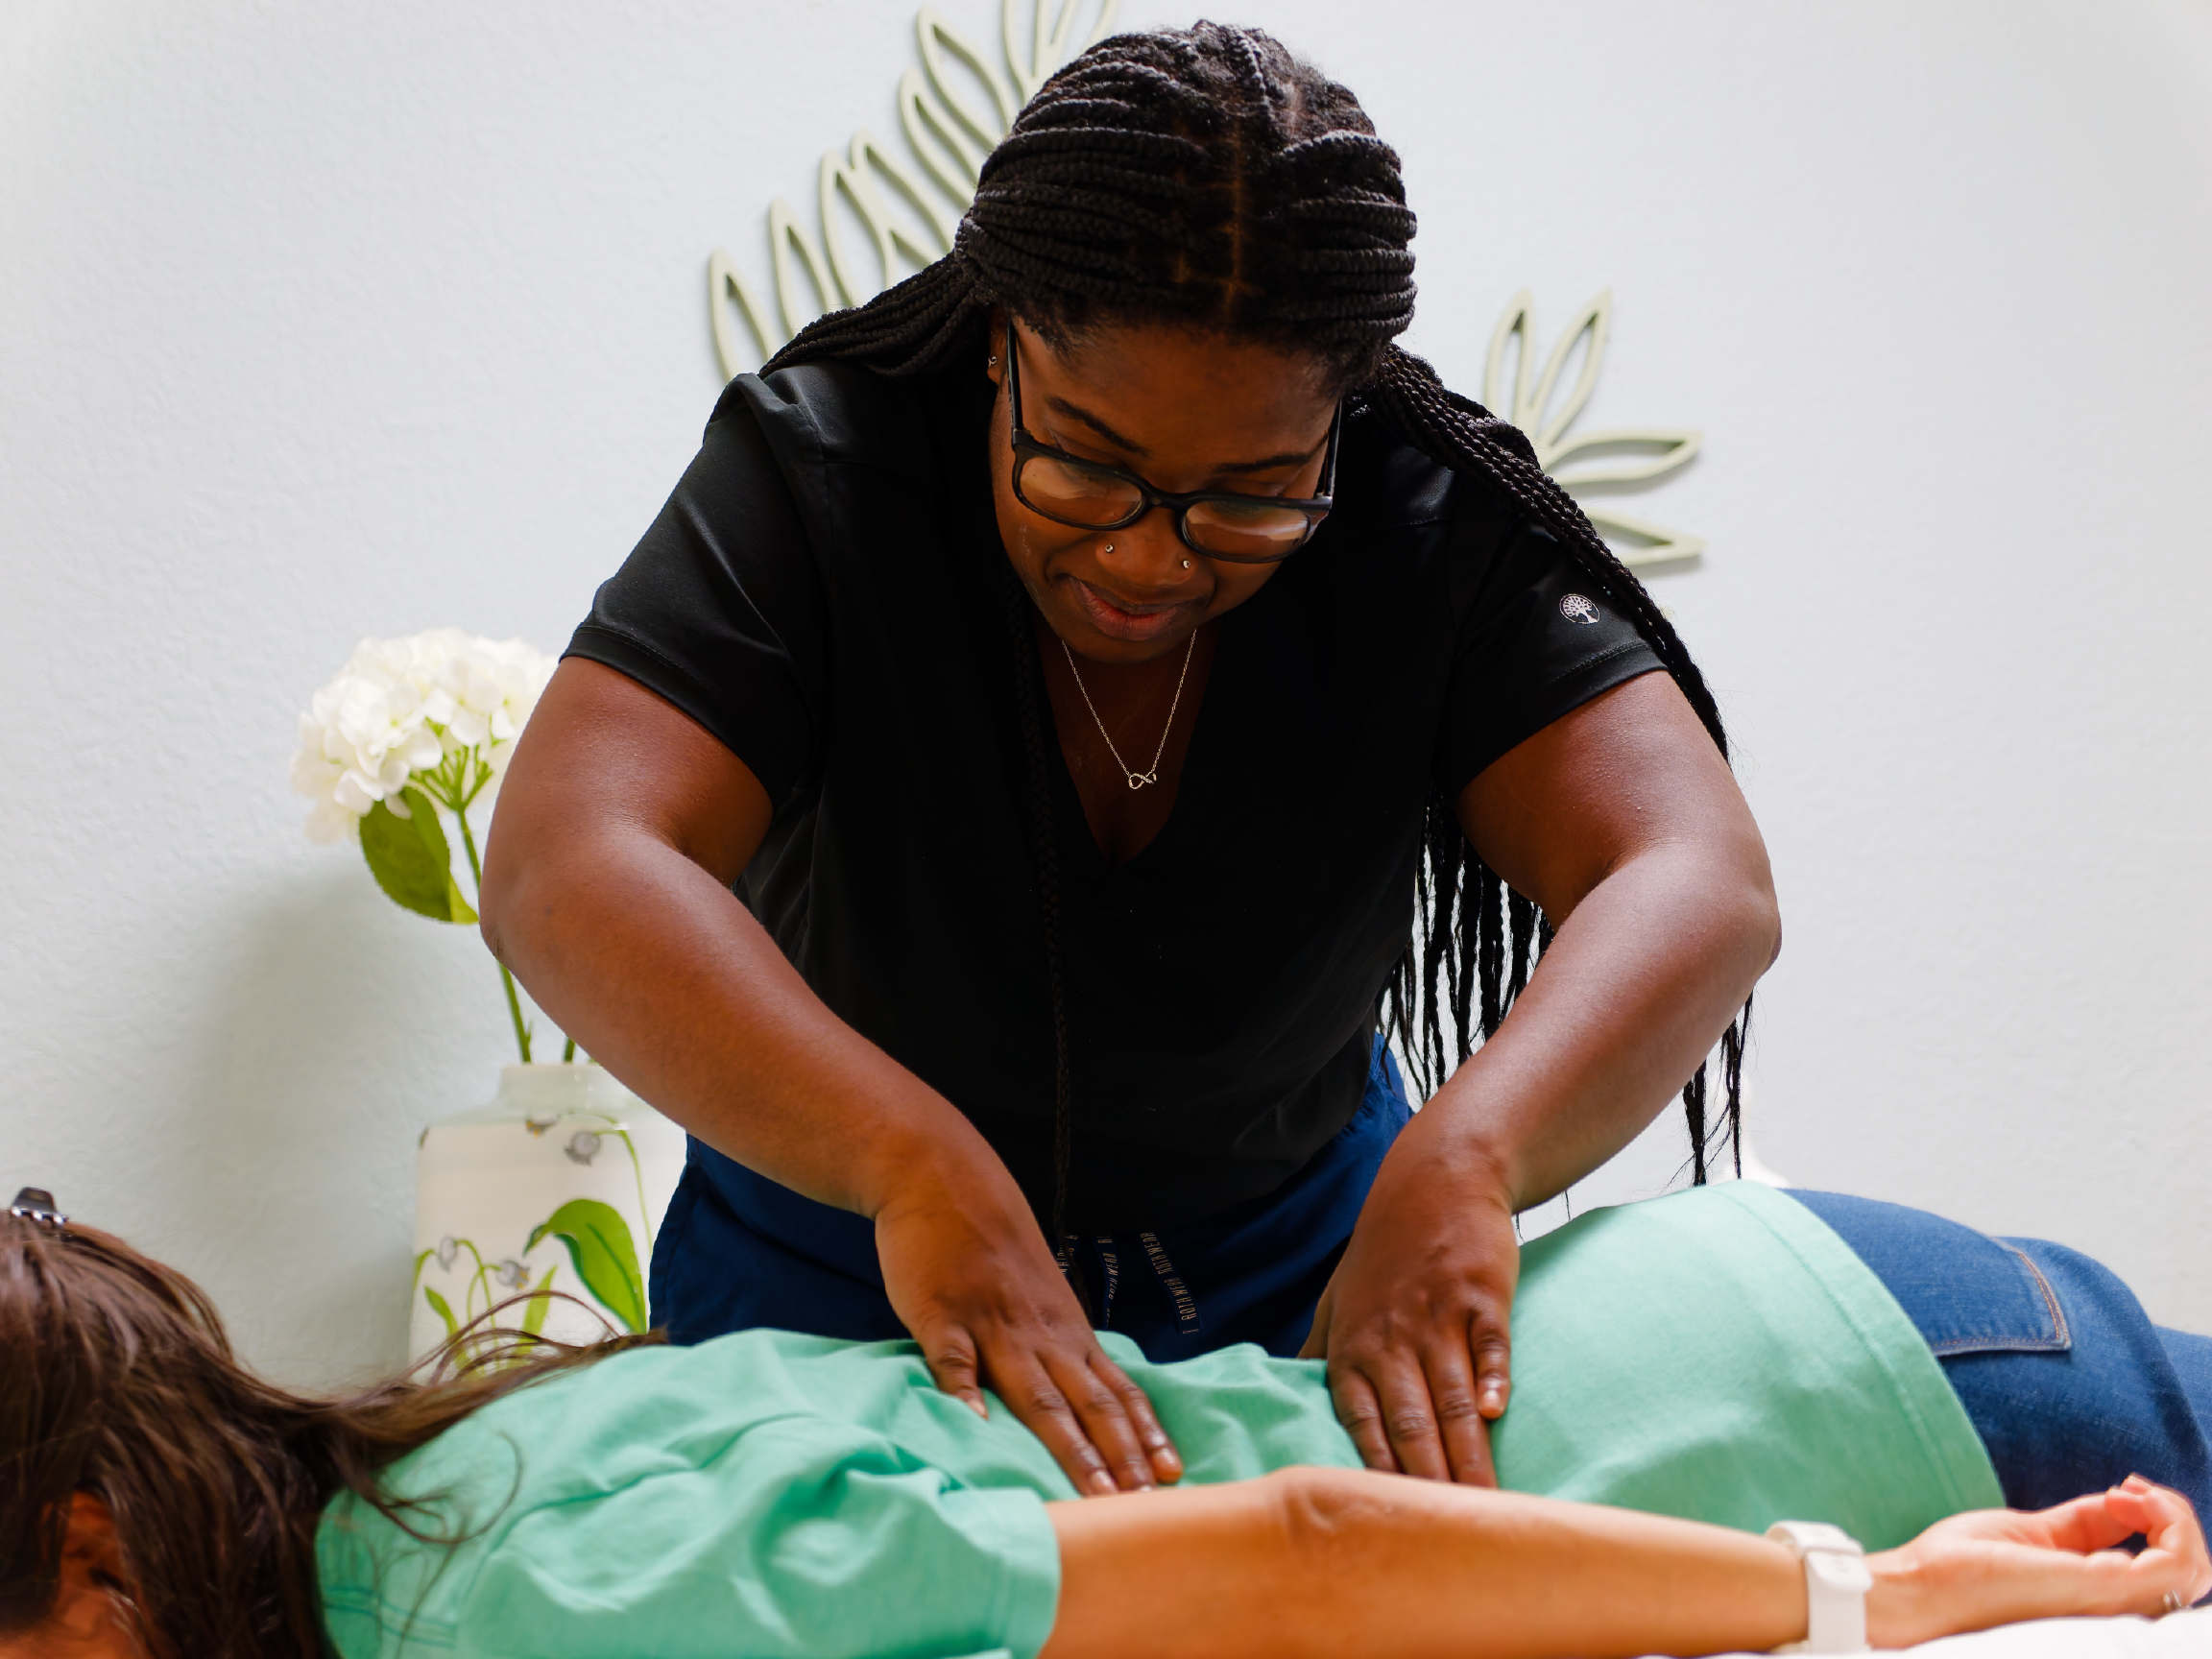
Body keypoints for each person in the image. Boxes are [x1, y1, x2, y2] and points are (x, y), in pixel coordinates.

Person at [478, 21, 1780, 1501]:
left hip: (1302, 1284)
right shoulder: (825, 473)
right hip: (837, 1265)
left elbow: (1701, 876)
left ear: (1340, 422)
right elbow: (561, 863)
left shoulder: (1428, 516)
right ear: (997, 342)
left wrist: (1473, 1156)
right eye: (1086, 461)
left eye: (1252, 497)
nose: (1149, 557)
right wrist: (904, 1155)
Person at [3, 1183, 2207, 1659]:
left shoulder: (542, 1613)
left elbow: (1303, 1549)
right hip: (1739, 1303)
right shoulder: (446, 1482)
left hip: (1835, 1407)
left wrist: (1860, 1598)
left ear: (95, 1555)